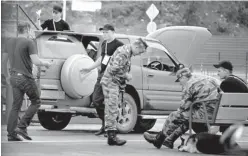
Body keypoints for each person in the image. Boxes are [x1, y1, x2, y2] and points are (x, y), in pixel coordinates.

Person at [143, 68, 220, 149]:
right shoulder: (206, 78)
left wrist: (180, 111)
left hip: (205, 114)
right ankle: (169, 139)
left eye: (179, 80)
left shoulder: (189, 85)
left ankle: (159, 139)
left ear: (183, 77)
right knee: (188, 116)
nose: (179, 83)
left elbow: (183, 107)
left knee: (175, 115)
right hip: (217, 112)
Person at [2, 22, 52, 141]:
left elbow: (3, 62)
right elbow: (36, 61)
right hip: (25, 77)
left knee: (16, 106)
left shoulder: (8, 42)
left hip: (13, 77)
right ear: (28, 29)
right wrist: (46, 63)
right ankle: (22, 127)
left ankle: (11, 134)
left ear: (18, 30)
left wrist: (7, 76)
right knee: (36, 101)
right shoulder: (29, 42)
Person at [100, 38, 148, 146]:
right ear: (136, 47)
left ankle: (110, 134)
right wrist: (126, 75)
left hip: (111, 82)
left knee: (110, 108)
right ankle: (111, 136)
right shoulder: (124, 53)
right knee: (112, 109)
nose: (139, 54)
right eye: (140, 52)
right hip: (111, 82)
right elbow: (114, 69)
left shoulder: (126, 52)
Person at [81, 24, 123, 136]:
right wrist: (89, 68)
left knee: (110, 102)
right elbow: (102, 59)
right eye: (103, 32)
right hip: (102, 75)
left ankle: (110, 127)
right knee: (96, 100)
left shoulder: (119, 45)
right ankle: (106, 123)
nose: (104, 34)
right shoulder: (104, 44)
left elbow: (123, 61)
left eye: (107, 32)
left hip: (112, 76)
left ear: (113, 32)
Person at [213, 60, 248, 133]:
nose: (217, 74)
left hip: (234, 115)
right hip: (244, 113)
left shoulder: (226, 83)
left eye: (219, 71)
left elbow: (224, 103)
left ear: (225, 71)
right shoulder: (239, 80)